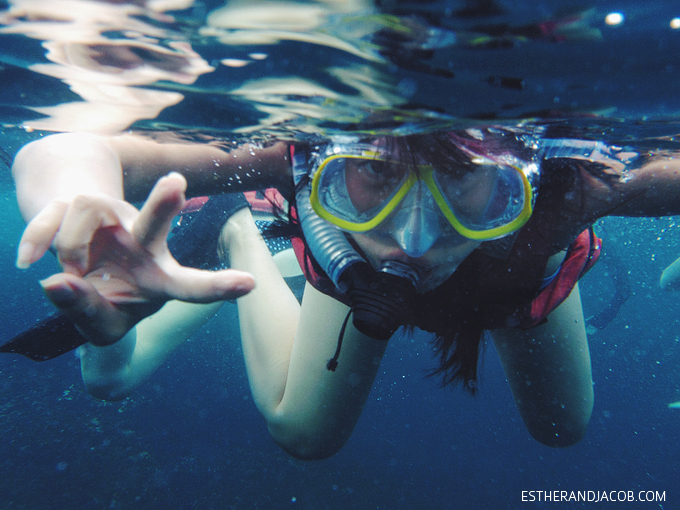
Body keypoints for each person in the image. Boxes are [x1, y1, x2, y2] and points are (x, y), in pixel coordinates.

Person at [11, 128, 680, 460]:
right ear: (319, 176)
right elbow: (70, 146)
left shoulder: (584, 183)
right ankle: (243, 238)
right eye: (372, 175)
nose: (413, 242)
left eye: (468, 184)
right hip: (352, 276)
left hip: (513, 283)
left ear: (525, 181)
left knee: (562, 430)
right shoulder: (291, 152)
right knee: (304, 434)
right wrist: (81, 199)